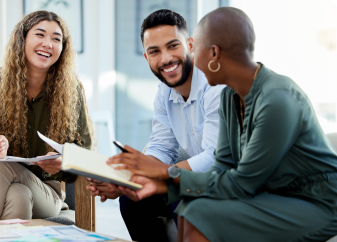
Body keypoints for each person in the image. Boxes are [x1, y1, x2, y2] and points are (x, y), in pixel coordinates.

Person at [107, 7, 337, 242]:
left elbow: (242, 182)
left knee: (196, 212)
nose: (192, 59)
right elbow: (222, 167)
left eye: (195, 50)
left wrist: (165, 175)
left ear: (212, 53)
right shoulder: (231, 96)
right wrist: (153, 182)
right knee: (192, 210)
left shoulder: (277, 99)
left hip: (315, 201)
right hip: (269, 193)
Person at [87, 9, 224, 242]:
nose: (166, 59)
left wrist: (156, 175)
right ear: (146, 57)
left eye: (173, 46)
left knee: (184, 196)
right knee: (132, 199)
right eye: (155, 51)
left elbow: (213, 158)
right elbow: (161, 147)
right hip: (190, 178)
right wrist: (125, 181)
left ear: (190, 44)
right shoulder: (164, 92)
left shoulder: (214, 84)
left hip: (221, 182)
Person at [0, 11, 93, 223]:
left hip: (44, 190)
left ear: (63, 48)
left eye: (56, 39)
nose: (48, 44)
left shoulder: (72, 90)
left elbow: (85, 153)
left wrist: (63, 163)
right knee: (17, 195)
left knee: (1, 169)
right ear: (23, 39)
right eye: (40, 34)